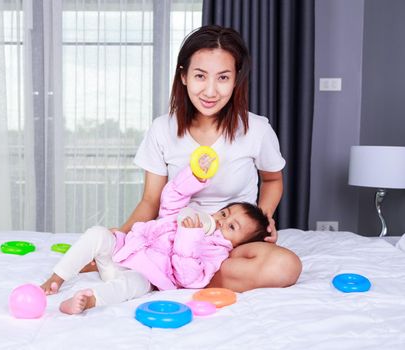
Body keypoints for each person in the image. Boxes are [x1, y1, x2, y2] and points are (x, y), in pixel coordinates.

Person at [110, 25, 302, 293]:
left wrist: (263, 218)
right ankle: (177, 269)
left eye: (223, 78)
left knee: (285, 266)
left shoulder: (257, 129)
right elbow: (151, 201)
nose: (210, 91)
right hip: (173, 238)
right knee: (110, 246)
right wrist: (121, 235)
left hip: (229, 244)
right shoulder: (162, 129)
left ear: (236, 80)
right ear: (184, 76)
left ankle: (176, 276)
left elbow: (272, 180)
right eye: (200, 76)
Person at [41, 158, 271, 314]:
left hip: (145, 274)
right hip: (122, 252)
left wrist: (189, 236)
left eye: (231, 227)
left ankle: (89, 300)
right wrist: (196, 175)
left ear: (237, 245)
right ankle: (57, 278)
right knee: (98, 233)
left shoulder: (216, 253)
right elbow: (172, 196)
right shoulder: (188, 215)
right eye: (224, 213)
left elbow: (189, 279)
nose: (221, 221)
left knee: (134, 285)